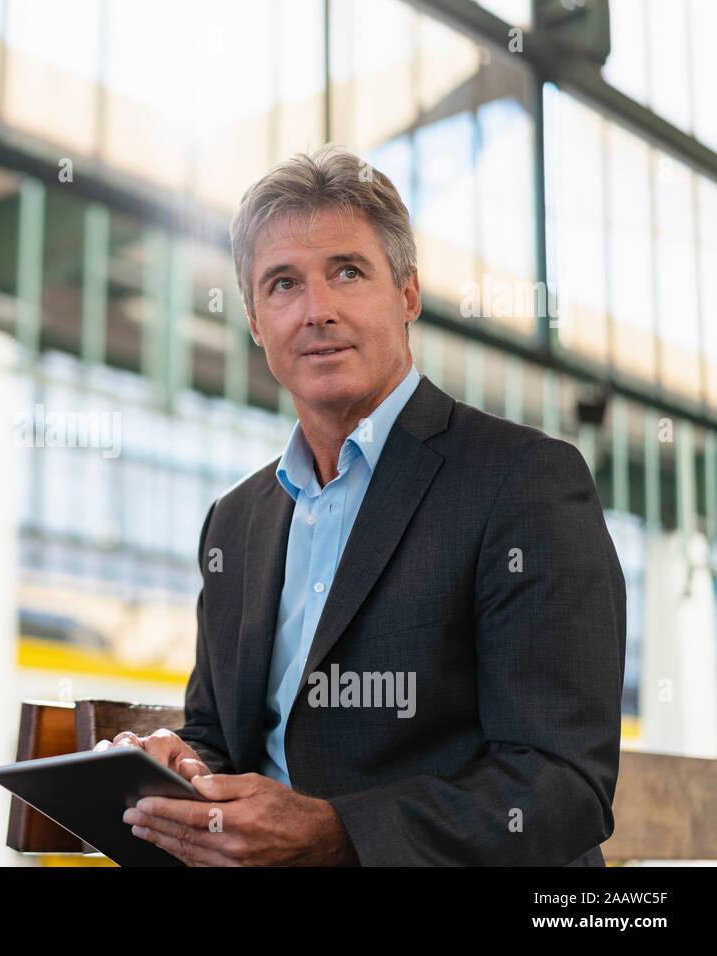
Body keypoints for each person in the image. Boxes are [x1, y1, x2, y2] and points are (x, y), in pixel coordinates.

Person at [98, 145, 625, 866]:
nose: (318, 311)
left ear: (407, 293)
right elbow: (220, 736)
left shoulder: (526, 482)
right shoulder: (237, 522)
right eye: (283, 284)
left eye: (348, 271)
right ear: (255, 320)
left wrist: (337, 834)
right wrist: (178, 767)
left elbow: (561, 786)